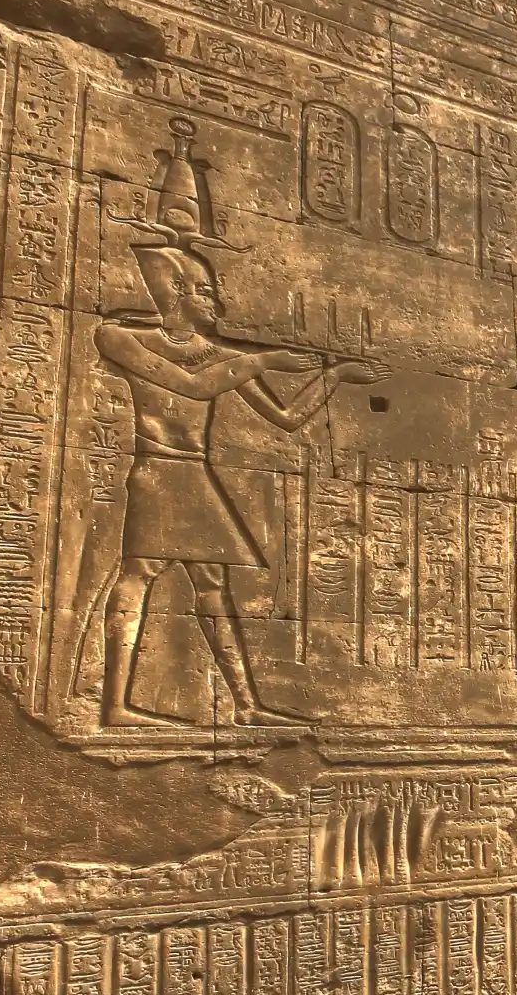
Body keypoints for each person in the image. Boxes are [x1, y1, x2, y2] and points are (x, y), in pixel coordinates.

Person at [95, 242, 382, 727]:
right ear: (176, 291)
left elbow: (286, 418)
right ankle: (115, 706)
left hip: (194, 473)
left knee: (212, 586)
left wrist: (333, 377)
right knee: (139, 573)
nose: (216, 304)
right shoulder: (121, 338)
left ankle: (246, 706)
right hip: (158, 471)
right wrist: (264, 360)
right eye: (205, 292)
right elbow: (190, 385)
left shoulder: (221, 357)